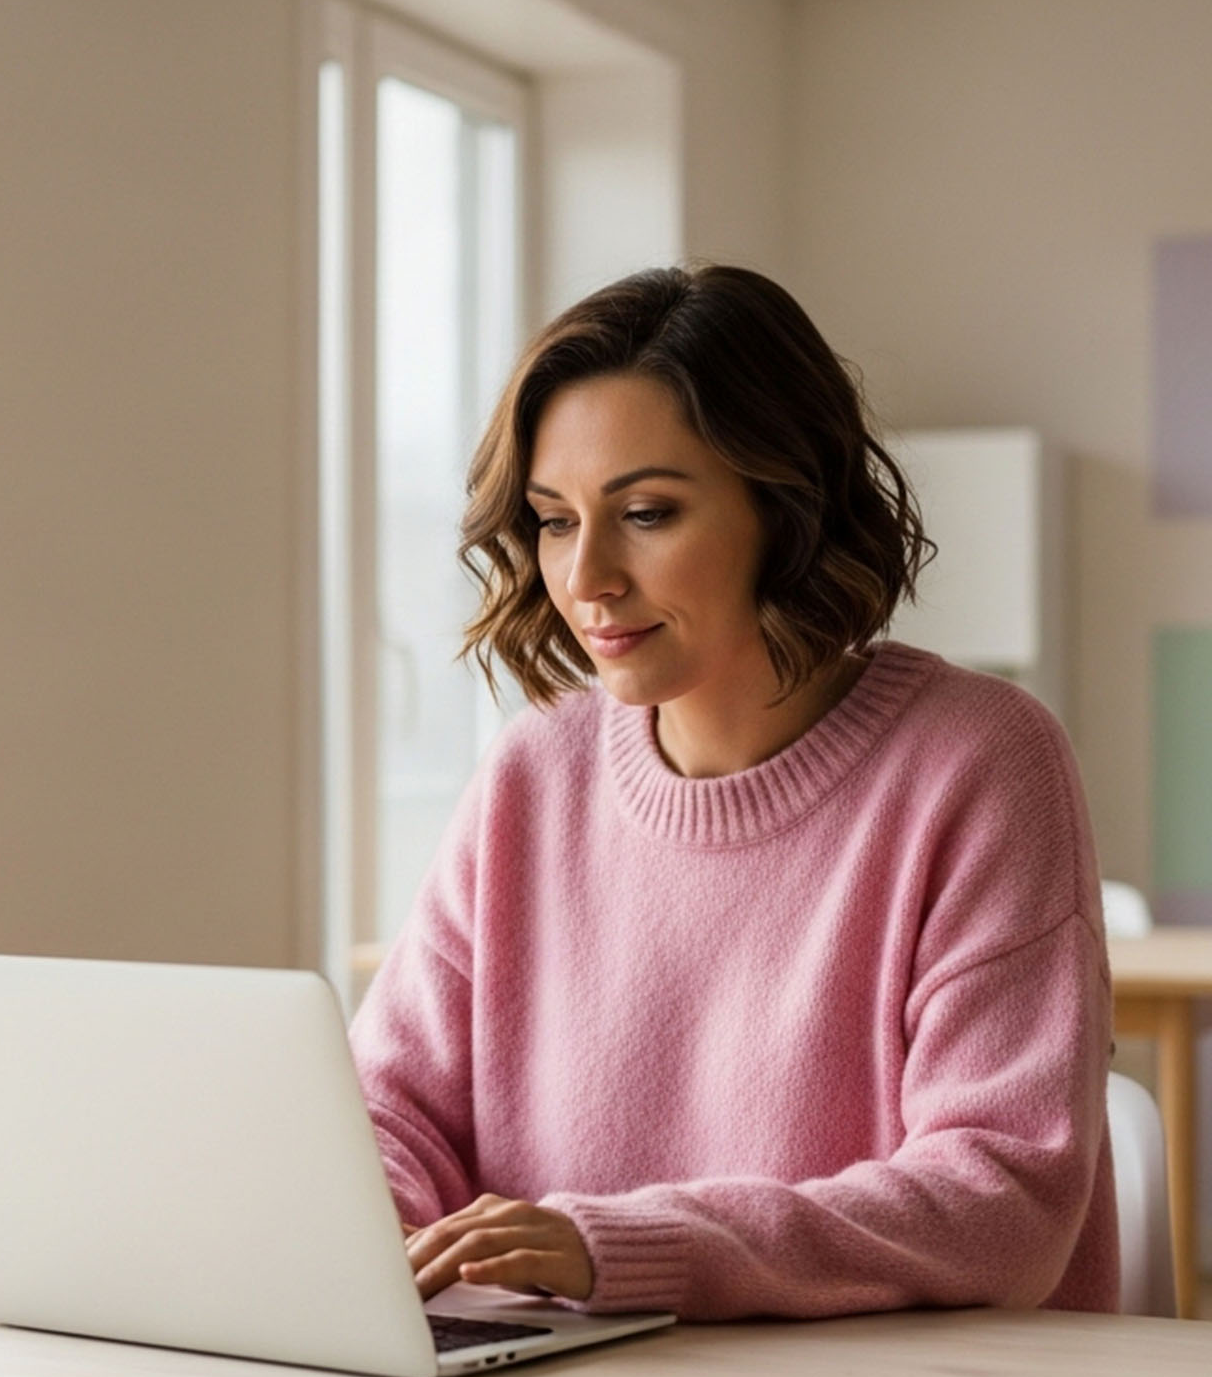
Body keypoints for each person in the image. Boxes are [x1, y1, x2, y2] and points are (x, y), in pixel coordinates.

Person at [349, 264, 1117, 1321]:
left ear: (784, 505)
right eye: (555, 520)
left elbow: (1000, 1199)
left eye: (647, 513)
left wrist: (620, 1246)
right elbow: (388, 1107)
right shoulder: (535, 771)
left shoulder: (979, 760)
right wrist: (365, 1237)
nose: (586, 580)